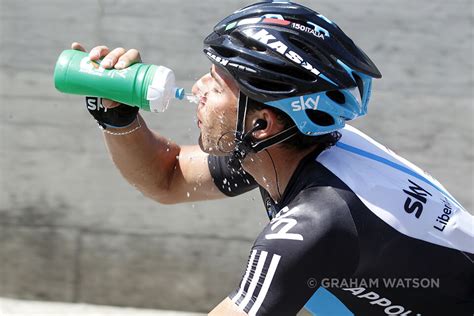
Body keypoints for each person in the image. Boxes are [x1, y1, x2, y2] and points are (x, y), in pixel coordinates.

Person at [71, 1, 473, 315]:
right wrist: (117, 118)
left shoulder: (319, 220)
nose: (198, 88)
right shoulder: (290, 151)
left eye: (216, 84)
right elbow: (168, 177)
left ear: (261, 123)